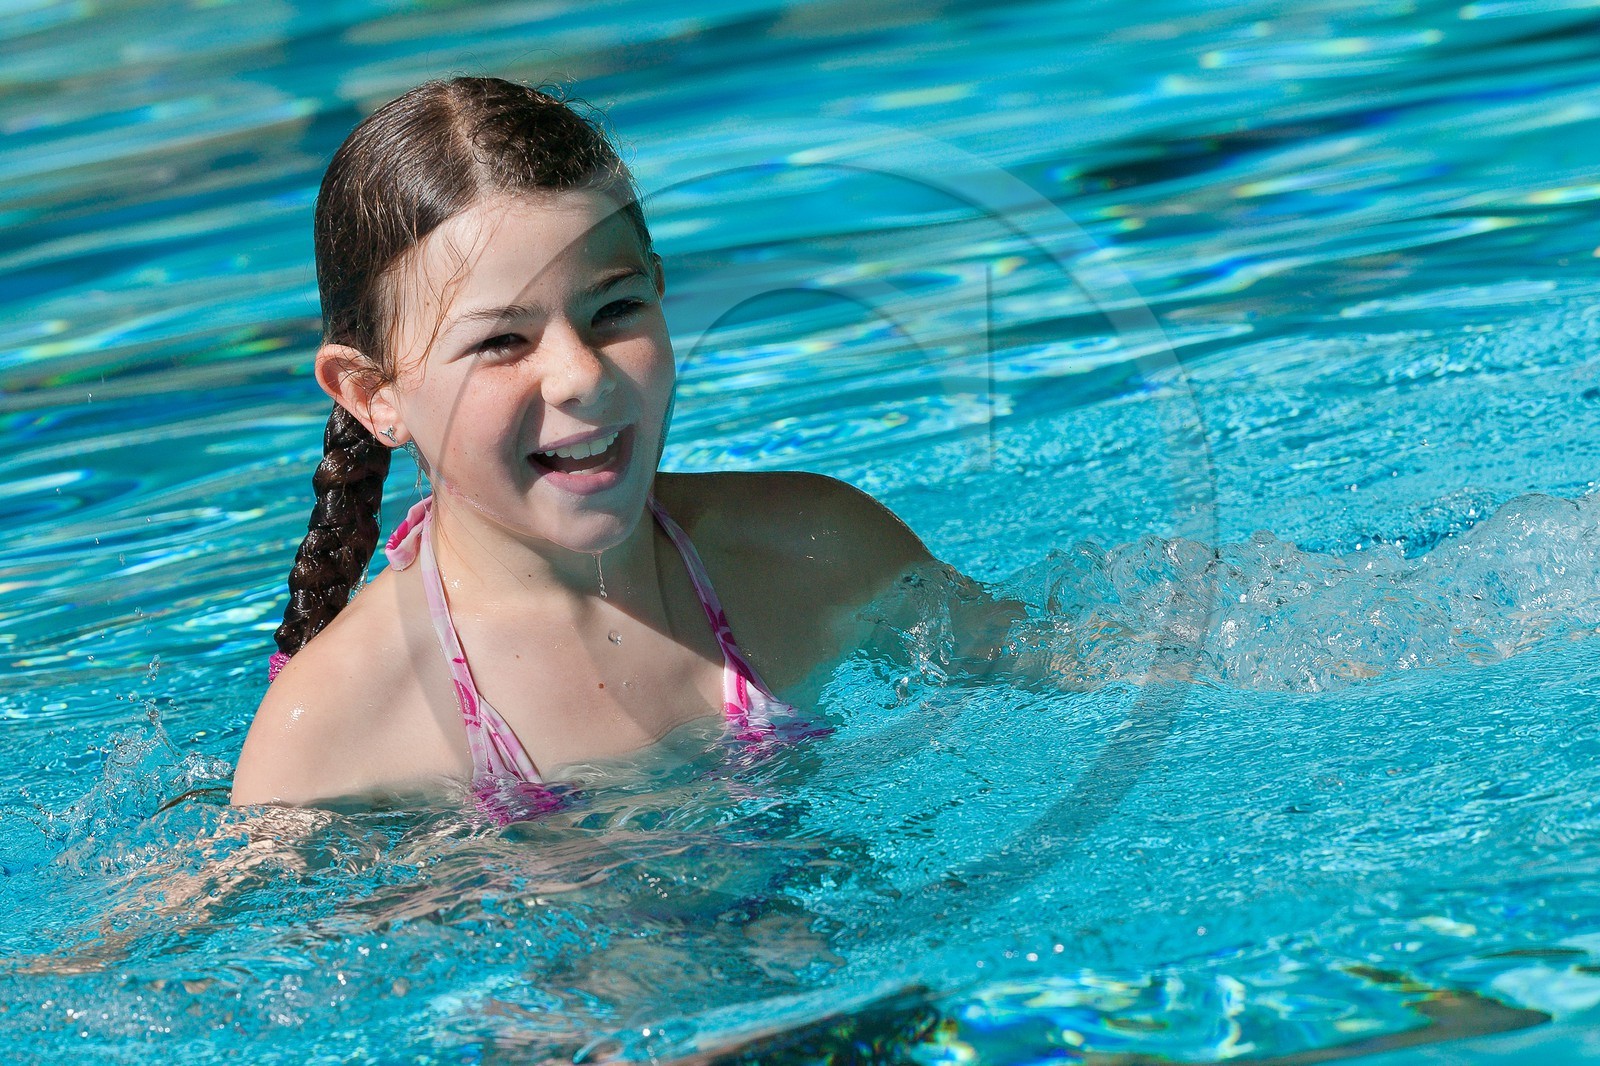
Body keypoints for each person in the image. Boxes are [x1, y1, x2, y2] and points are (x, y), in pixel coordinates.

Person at [230, 76, 1019, 818]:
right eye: (503, 340)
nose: (579, 375)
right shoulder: (332, 734)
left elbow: (1068, 671)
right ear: (375, 396)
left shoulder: (813, 549)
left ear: (660, 290)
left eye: (615, 310)